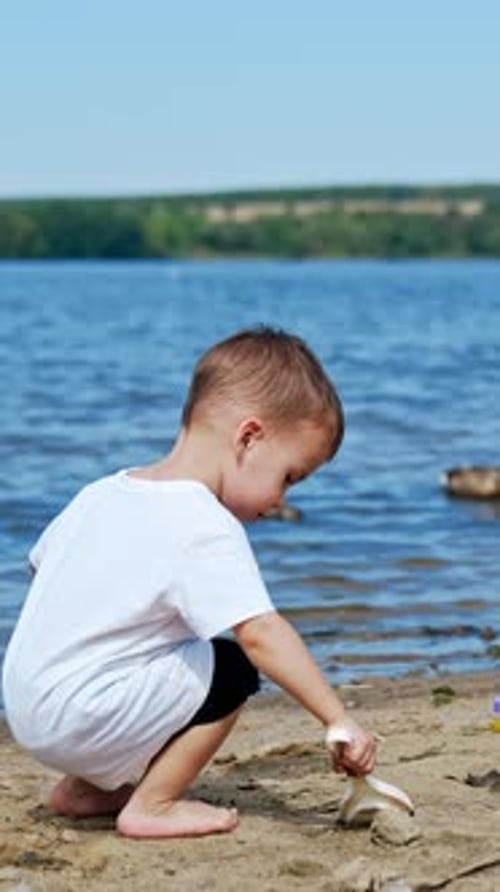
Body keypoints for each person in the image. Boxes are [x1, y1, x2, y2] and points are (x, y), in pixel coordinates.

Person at [2, 326, 376, 839]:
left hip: (25, 707)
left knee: (163, 651)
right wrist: (338, 719)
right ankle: (152, 804)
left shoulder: (100, 493)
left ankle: (86, 789)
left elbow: (43, 570)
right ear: (248, 438)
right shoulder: (203, 522)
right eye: (289, 476)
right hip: (83, 716)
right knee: (232, 669)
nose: (280, 500)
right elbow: (261, 634)